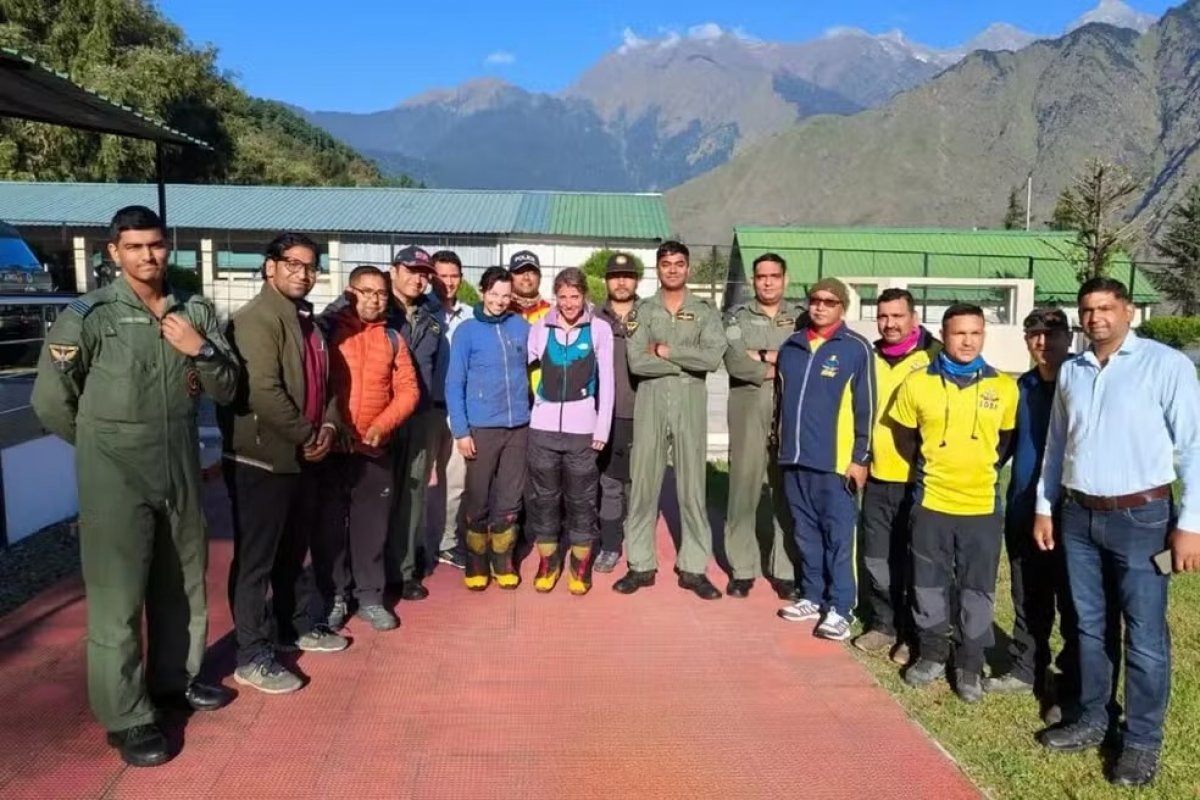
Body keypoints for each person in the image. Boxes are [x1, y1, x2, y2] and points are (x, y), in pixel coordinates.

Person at [31, 205, 238, 767]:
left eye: (157, 245)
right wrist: (101, 449)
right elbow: (50, 399)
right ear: (114, 253)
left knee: (182, 584)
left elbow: (225, 386)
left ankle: (175, 680)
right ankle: (127, 715)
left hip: (178, 466)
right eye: (136, 246)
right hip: (114, 475)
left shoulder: (193, 311)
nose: (149, 255)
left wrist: (201, 348)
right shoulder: (91, 315)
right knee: (117, 599)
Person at [1034, 277, 1200, 788]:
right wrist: (1045, 506)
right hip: (1079, 517)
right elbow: (1057, 444)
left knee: (1145, 634)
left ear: (1128, 311)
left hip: (1144, 520)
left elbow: (1194, 447)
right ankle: (1092, 717)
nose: (1096, 317)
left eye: (1106, 307)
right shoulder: (1073, 372)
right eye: (1087, 309)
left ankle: (1142, 742)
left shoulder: (1166, 366)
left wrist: (1190, 525)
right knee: (1088, 625)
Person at [221, 232, 348, 697]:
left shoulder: (309, 323)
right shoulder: (256, 320)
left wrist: (329, 429)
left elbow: (331, 387)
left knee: (294, 552)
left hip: (303, 457)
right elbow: (263, 392)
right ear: (270, 267)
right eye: (292, 263)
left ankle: (292, 627)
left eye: (310, 265)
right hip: (261, 459)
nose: (302, 272)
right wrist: (308, 435)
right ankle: (251, 653)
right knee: (257, 560)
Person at [889, 303, 1017, 703]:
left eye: (975, 333)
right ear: (944, 335)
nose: (967, 341)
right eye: (959, 333)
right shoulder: (917, 383)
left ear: (983, 335)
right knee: (928, 584)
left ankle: (969, 665)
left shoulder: (1003, 387)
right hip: (932, 504)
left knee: (976, 590)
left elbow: (1006, 443)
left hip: (981, 508)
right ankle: (931, 653)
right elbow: (905, 438)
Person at [986, 309, 1089, 723]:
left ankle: (1068, 682)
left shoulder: (1082, 384)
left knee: (1075, 601)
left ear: (1069, 336)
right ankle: (1027, 667)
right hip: (1024, 510)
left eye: (1052, 334)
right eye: (1035, 335)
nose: (1043, 343)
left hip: (1074, 515)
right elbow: (1000, 448)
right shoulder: (1021, 388)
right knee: (1028, 595)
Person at [612, 241, 727, 600]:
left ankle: (693, 567)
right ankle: (641, 565)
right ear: (657, 269)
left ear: (688, 268)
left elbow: (712, 359)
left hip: (690, 401)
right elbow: (637, 362)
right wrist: (683, 360)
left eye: (679, 264)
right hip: (651, 400)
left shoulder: (706, 311)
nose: (673, 269)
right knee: (644, 483)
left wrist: (666, 350)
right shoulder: (643, 311)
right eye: (666, 264)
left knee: (692, 486)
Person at [317, 266, 420, 632]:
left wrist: (382, 425)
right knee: (330, 527)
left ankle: (370, 598)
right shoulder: (327, 333)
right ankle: (334, 597)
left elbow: (408, 391)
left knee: (371, 527)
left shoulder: (393, 339)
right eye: (367, 291)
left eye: (381, 293)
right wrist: (332, 426)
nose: (375, 299)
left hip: (375, 447)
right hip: (333, 447)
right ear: (350, 292)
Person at [775, 278, 875, 640]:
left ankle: (841, 607)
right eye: (815, 300)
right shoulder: (792, 346)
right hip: (794, 459)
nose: (820, 307)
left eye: (829, 302)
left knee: (838, 537)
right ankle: (813, 596)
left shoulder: (855, 349)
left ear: (842, 307)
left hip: (835, 464)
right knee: (804, 534)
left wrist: (860, 457)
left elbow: (867, 408)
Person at [853, 289, 941, 662]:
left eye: (897, 316)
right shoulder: (869, 357)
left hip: (919, 479)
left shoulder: (934, 357)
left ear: (913, 317)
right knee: (876, 558)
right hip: (876, 475)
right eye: (883, 316)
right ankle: (882, 624)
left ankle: (911, 632)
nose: (890, 323)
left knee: (914, 559)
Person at [525, 267, 615, 594]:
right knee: (545, 500)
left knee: (581, 501)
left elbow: (608, 384)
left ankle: (579, 566)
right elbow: (527, 370)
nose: (568, 303)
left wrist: (601, 428)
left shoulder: (600, 330)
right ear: (556, 297)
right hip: (542, 431)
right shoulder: (538, 328)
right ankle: (548, 562)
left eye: (574, 296)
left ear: (585, 296)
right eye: (562, 296)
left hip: (583, 432)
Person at [721, 253, 804, 599]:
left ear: (785, 279)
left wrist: (766, 355)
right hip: (747, 410)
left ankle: (784, 570)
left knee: (787, 492)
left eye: (774, 276)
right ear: (753, 281)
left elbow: (807, 360)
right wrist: (784, 362)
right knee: (744, 490)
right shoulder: (737, 317)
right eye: (760, 276)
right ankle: (742, 568)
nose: (767, 282)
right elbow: (736, 362)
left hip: (791, 412)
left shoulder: (801, 319)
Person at [445, 267, 532, 590]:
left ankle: (502, 558)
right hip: (481, 427)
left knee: (510, 498)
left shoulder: (520, 326)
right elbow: (455, 383)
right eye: (494, 294)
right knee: (478, 497)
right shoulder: (467, 331)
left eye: (505, 296)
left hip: (518, 427)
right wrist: (462, 430)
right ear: (482, 293)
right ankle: (476, 559)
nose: (499, 301)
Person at [385, 245, 445, 601]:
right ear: (394, 270)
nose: (418, 279)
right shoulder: (376, 308)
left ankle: (403, 570)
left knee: (412, 494)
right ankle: (365, 572)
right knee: (374, 497)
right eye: (411, 270)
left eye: (424, 273)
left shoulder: (432, 317)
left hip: (419, 416)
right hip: (379, 417)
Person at [594, 252, 640, 573]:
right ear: (607, 281)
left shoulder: (651, 314)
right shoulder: (594, 318)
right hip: (605, 415)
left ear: (636, 280)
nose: (621, 282)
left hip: (644, 412)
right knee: (609, 482)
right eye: (614, 276)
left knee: (639, 484)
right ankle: (610, 545)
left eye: (627, 276)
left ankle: (639, 548)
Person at [426, 250, 470, 569]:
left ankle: (447, 541)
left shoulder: (470, 315)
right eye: (442, 275)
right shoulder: (421, 313)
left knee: (455, 480)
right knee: (419, 480)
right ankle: (415, 543)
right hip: (425, 410)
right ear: (431, 277)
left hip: (458, 410)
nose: (449, 282)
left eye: (454, 275)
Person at [508, 250, 551, 323]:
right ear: (510, 277)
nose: (526, 277)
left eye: (532, 272)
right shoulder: (501, 309)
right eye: (520, 272)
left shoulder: (551, 312)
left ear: (540, 277)